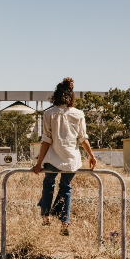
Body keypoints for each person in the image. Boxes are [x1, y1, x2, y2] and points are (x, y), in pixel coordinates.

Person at [32, 77, 97, 236]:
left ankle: (46, 215)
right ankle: (64, 222)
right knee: (66, 188)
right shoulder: (78, 114)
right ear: (71, 96)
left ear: (56, 95)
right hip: (71, 159)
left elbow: (46, 140)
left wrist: (39, 163)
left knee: (48, 184)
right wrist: (91, 156)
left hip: (53, 158)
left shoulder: (49, 113)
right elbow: (83, 138)